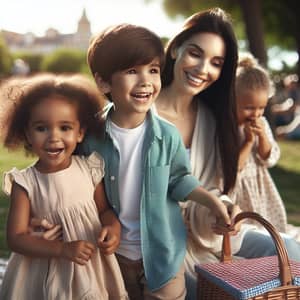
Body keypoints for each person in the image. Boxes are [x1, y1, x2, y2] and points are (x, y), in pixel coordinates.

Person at [153, 8, 300, 299]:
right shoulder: (143, 113)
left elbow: (215, 187)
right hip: (163, 242)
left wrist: (221, 208)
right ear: (175, 50)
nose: (203, 69)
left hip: (209, 234)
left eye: (216, 62)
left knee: (288, 251)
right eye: (195, 53)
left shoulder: (210, 118)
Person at [82, 23, 232, 299]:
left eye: (152, 70)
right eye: (131, 71)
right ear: (103, 82)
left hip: (162, 252)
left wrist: (213, 202)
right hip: (108, 256)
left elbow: (179, 180)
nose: (145, 81)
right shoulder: (90, 137)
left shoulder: (167, 135)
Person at [0, 74, 128, 300]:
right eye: (42, 128)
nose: (53, 137)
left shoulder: (89, 169)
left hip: (89, 263)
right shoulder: (26, 183)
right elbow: (16, 237)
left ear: (80, 133)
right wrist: (62, 249)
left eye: (65, 127)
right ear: (27, 133)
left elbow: (104, 210)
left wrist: (113, 228)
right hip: (44, 269)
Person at [232, 54, 300, 240]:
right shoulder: (229, 129)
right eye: (249, 107)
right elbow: (233, 168)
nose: (256, 113)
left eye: (261, 108)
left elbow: (268, 157)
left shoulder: (261, 122)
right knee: (249, 233)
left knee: (270, 230)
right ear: (232, 100)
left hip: (260, 187)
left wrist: (261, 136)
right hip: (240, 192)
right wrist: (247, 141)